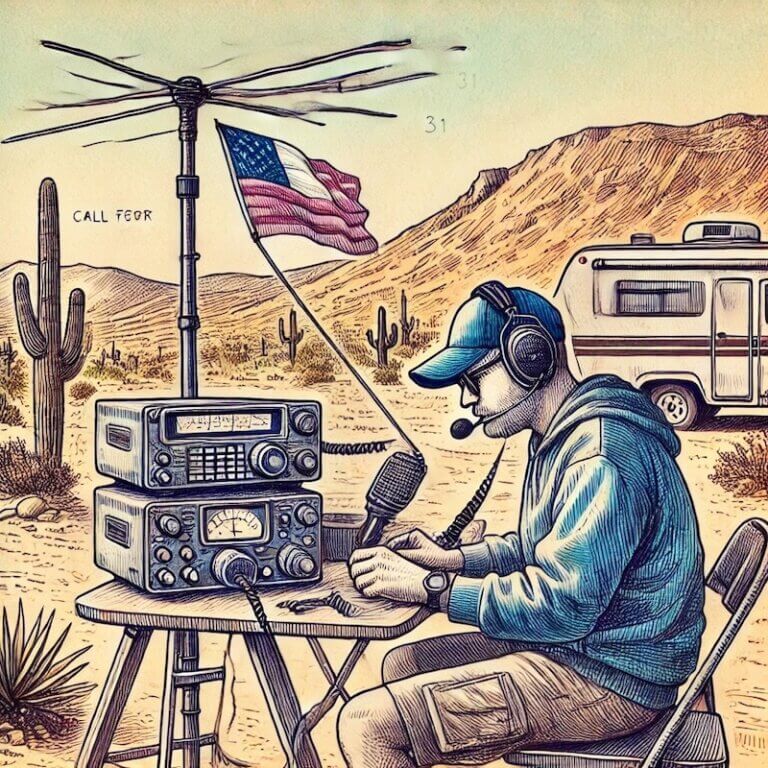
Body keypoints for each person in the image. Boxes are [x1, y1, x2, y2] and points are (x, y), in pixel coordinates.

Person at [338, 281, 705, 768]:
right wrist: (453, 560)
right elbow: (540, 548)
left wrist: (431, 587)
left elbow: (562, 604)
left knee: (368, 727)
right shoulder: (565, 436)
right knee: (402, 664)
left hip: (610, 678)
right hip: (583, 649)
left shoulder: (601, 455)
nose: (468, 401)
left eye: (475, 379)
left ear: (528, 357)